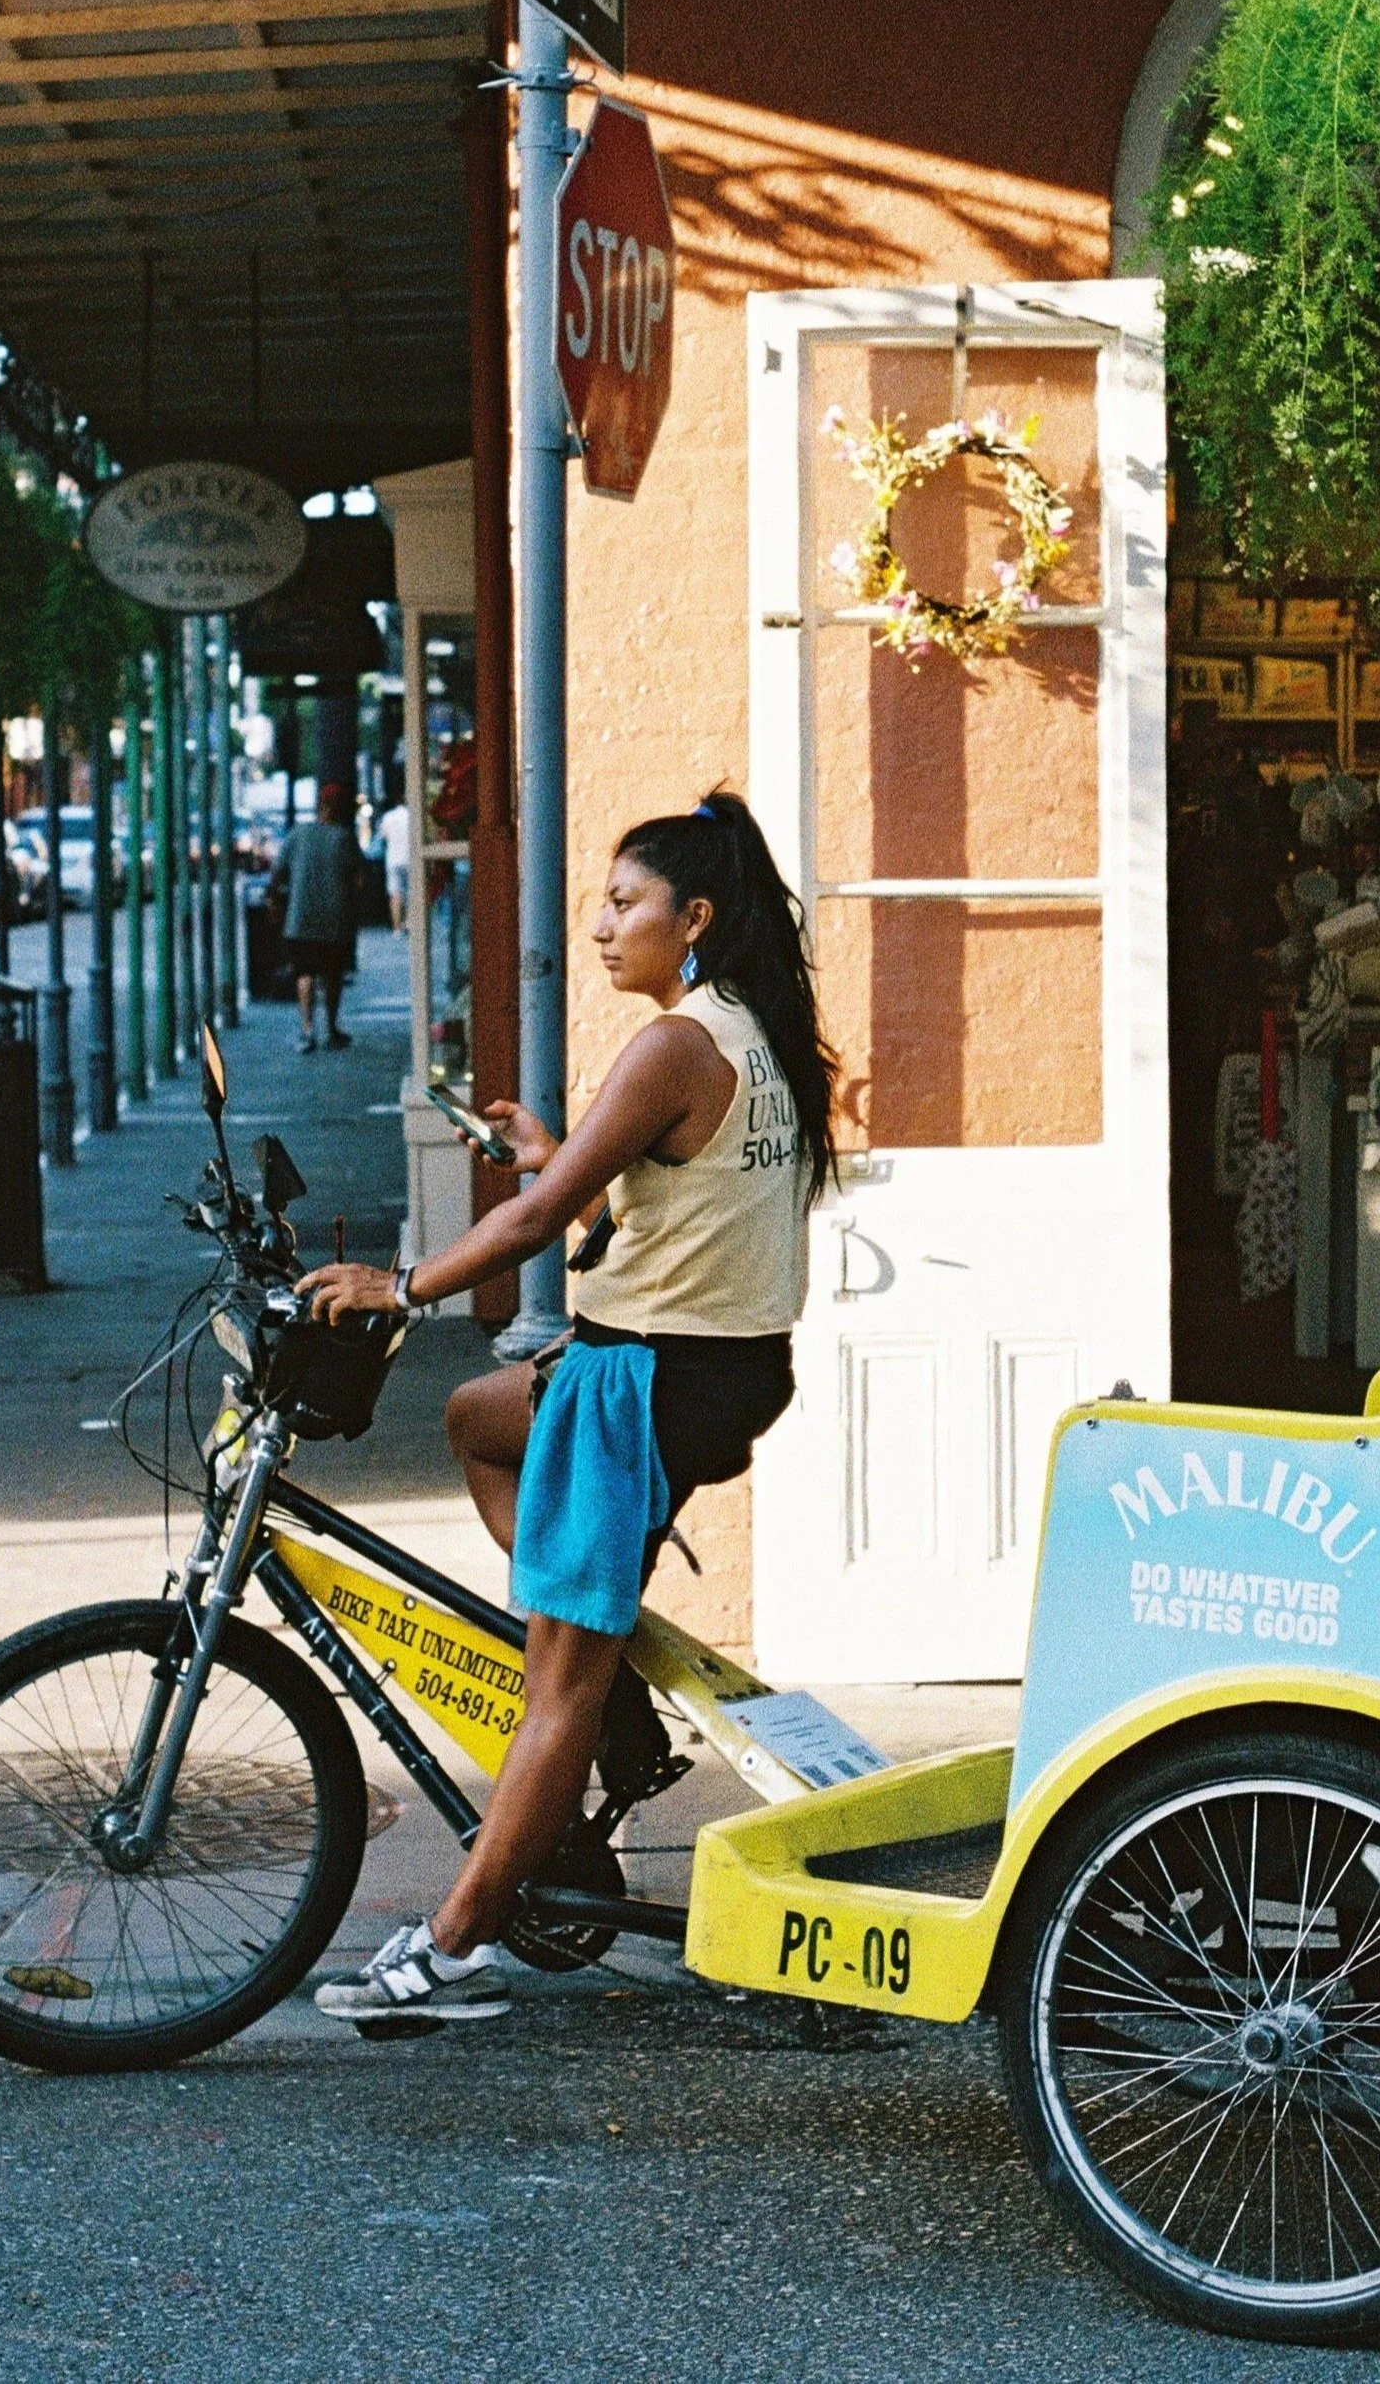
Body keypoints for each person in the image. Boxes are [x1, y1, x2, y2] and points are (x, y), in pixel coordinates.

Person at [300, 788, 836, 2027]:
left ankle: (455, 1944)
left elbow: (539, 1228)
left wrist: (402, 1289)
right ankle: (594, 1658)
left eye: (624, 904)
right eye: (601, 903)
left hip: (645, 1381)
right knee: (481, 1420)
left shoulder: (675, 1042)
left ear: (693, 917)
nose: (599, 927)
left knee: (556, 1683)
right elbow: (665, 1192)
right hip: (709, 1368)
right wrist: (556, 1148)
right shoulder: (746, 1030)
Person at [276, 779, 361, 1052]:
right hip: (334, 920)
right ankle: (332, 1030)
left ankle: (307, 1030)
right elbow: (359, 880)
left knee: (305, 973)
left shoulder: (298, 834)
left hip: (300, 919)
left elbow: (278, 871)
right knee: (332, 975)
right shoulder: (344, 837)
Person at [377, 789, 410, 933]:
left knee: (395, 894)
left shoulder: (388, 817)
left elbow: (382, 836)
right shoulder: (412, 816)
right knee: (411, 892)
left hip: (393, 859)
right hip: (410, 857)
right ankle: (409, 923)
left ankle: (397, 927)